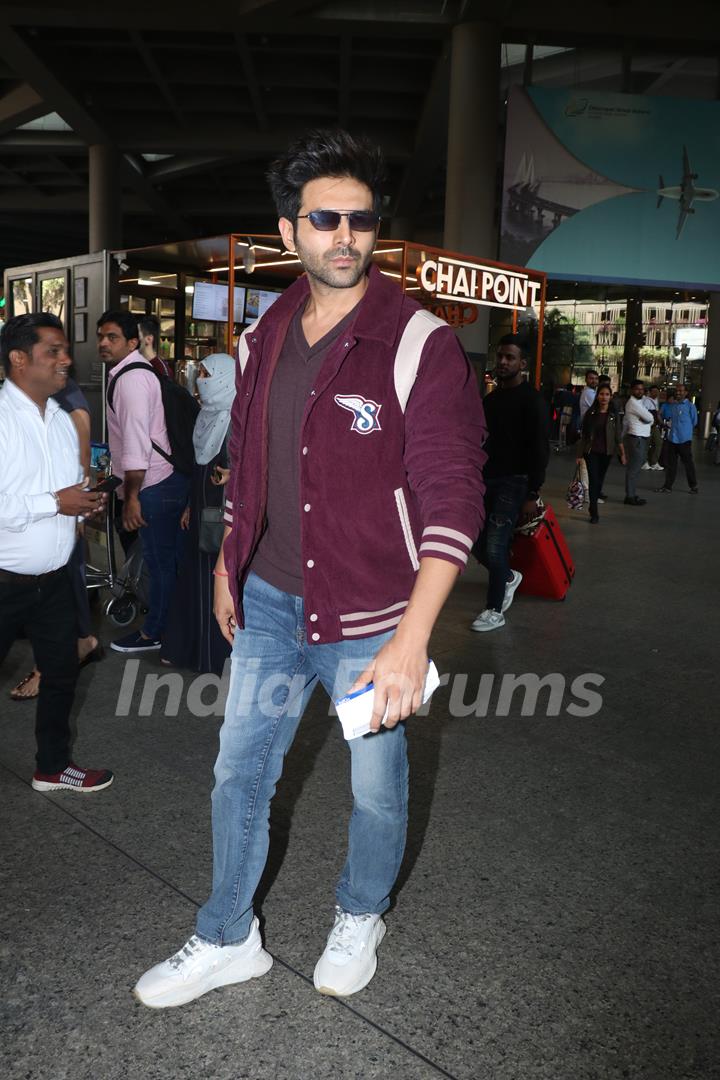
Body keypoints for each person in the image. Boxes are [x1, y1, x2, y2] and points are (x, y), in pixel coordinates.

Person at [134, 128, 486, 1008]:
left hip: (375, 616)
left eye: (360, 221)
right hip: (269, 600)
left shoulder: (419, 344)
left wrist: (414, 638)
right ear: (289, 230)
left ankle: (361, 912)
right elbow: (249, 465)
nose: (344, 236)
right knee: (237, 771)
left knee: (376, 785)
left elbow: (453, 499)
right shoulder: (265, 335)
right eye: (324, 219)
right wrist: (228, 563)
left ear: (376, 233)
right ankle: (227, 937)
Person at [0, 313, 113, 792]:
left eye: (67, 350)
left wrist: (83, 506)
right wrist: (54, 503)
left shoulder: (65, 423)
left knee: (62, 674)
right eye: (54, 351)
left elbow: (68, 491)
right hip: (4, 580)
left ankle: (52, 766)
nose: (67, 360)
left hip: (55, 581)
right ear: (19, 359)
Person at [97, 310, 190, 653]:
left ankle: (156, 633)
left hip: (154, 485)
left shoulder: (131, 380)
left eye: (112, 338)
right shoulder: (127, 374)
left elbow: (137, 445)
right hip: (161, 483)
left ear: (133, 342)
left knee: (160, 564)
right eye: (101, 337)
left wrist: (132, 497)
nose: (103, 344)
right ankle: (173, 628)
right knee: (164, 562)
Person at [9, 373, 104, 701]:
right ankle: (75, 646)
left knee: (59, 584)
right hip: (33, 515)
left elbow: (80, 461)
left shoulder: (65, 398)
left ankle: (53, 662)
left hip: (58, 513)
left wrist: (76, 511)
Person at [160, 354, 235, 675]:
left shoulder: (239, 418)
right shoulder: (207, 416)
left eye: (208, 374)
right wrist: (191, 504)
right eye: (200, 372)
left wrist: (235, 476)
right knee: (194, 579)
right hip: (201, 510)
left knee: (219, 583)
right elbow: (198, 468)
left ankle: (214, 656)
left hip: (225, 514)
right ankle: (189, 650)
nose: (201, 379)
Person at [471, 334, 549, 632]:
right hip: (486, 479)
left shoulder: (533, 401)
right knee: (474, 540)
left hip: (515, 482)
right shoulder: (490, 400)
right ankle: (506, 577)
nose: (503, 362)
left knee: (496, 544)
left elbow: (540, 449)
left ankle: (494, 609)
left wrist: (533, 492)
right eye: (501, 356)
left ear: (522, 363)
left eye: (510, 358)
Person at [576, 384, 626, 523]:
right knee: (593, 480)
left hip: (607, 452)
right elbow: (584, 436)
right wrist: (579, 455)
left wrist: (622, 453)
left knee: (599, 481)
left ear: (610, 397)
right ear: (597, 396)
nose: (604, 397)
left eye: (607, 394)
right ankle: (594, 511)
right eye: (601, 394)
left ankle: (593, 505)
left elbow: (618, 435)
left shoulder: (613, 415)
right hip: (591, 452)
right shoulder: (591, 414)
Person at [656, 383, 699, 494]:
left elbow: (694, 421)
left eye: (681, 391)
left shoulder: (690, 406)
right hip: (672, 439)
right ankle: (667, 487)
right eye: (677, 390)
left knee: (688, 464)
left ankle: (693, 486)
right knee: (671, 465)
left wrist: (685, 431)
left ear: (686, 393)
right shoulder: (674, 405)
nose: (678, 392)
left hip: (684, 440)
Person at [622, 379, 654, 506]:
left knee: (634, 468)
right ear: (631, 390)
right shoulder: (633, 403)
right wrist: (646, 419)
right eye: (637, 389)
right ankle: (630, 496)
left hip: (640, 438)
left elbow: (649, 419)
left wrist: (647, 419)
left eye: (641, 389)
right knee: (634, 469)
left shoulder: (639, 403)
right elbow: (650, 418)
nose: (640, 391)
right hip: (637, 438)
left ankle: (631, 494)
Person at [138, 313, 174, 378]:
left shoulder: (161, 370)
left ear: (149, 339)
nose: (132, 340)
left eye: (136, 335)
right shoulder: (135, 363)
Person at [642, 386, 664, 471]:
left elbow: (657, 414)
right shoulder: (646, 401)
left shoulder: (656, 401)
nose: (656, 393)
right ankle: (644, 462)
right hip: (647, 426)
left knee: (658, 442)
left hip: (654, 426)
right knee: (646, 444)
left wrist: (661, 423)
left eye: (657, 391)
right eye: (654, 391)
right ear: (650, 392)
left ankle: (654, 462)